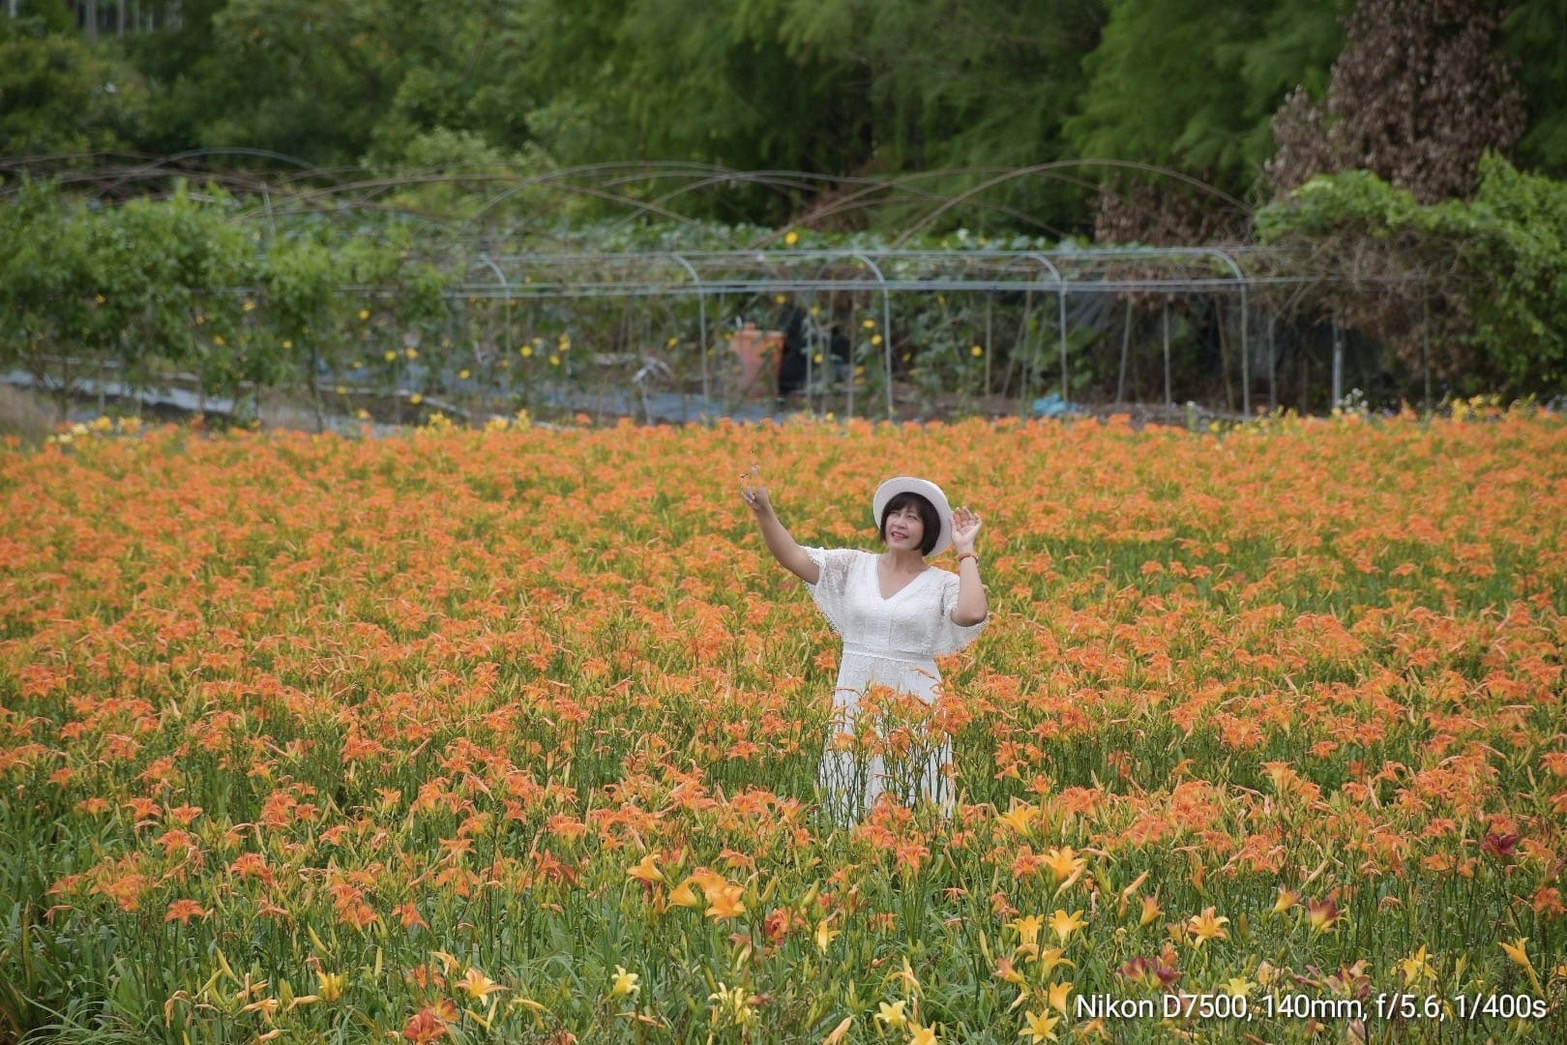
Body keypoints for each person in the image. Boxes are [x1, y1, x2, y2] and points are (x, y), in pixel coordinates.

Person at [742, 474, 988, 821]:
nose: (899, 523)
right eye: (895, 513)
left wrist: (965, 552)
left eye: (912, 517)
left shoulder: (942, 584)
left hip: (914, 702)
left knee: (913, 792)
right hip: (854, 695)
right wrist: (765, 512)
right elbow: (793, 557)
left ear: (928, 528)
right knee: (850, 782)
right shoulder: (854, 565)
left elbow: (972, 613)